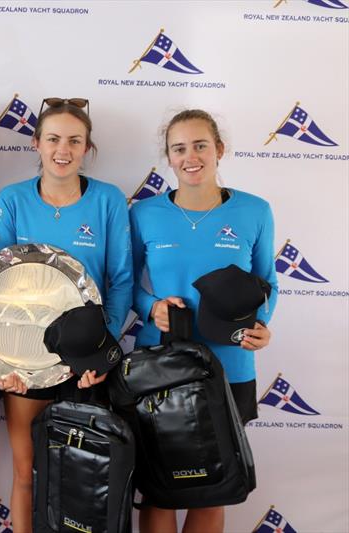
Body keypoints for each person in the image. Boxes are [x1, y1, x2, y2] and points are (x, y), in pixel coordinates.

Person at [129, 109, 277, 533]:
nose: (190, 156)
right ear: (169, 158)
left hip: (230, 364)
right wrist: (150, 306)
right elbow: (125, 284)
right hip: (159, 365)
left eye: (200, 145)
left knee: (215, 487)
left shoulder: (255, 210)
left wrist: (262, 324)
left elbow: (268, 281)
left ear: (219, 150)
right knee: (159, 489)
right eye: (179, 148)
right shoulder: (144, 214)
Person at [0, 98, 133, 532]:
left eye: (74, 140)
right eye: (52, 138)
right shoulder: (12, 199)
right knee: (25, 472)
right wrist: (2, 360)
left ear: (87, 147)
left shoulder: (108, 199)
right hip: (26, 360)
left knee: (85, 477)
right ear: (36, 143)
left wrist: (95, 353)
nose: (62, 149)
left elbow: (122, 279)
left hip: (87, 362)